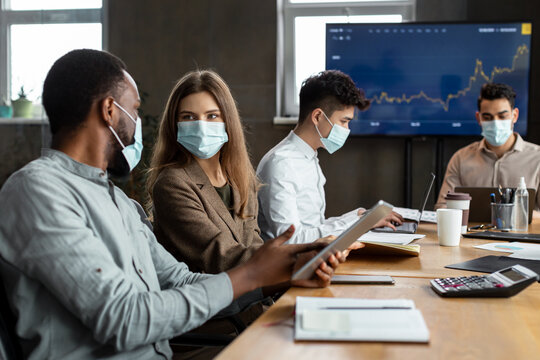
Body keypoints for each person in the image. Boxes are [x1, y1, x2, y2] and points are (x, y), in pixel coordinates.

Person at [0, 49, 345, 360]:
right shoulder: (38, 191)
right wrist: (252, 274)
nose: (136, 124)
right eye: (134, 110)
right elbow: (124, 319)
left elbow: (179, 279)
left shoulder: (119, 202)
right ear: (110, 110)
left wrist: (283, 274)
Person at [257, 70, 403, 244]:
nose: (347, 129)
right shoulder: (281, 165)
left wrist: (358, 217)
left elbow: (312, 228)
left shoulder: (308, 157)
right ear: (318, 116)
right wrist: (358, 223)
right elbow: (292, 239)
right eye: (343, 121)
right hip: (290, 267)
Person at [435, 83, 540, 210]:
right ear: (479, 118)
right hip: (471, 230)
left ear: (514, 116)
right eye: (487, 117)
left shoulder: (537, 158)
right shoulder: (461, 159)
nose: (495, 122)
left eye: (502, 116)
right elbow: (443, 207)